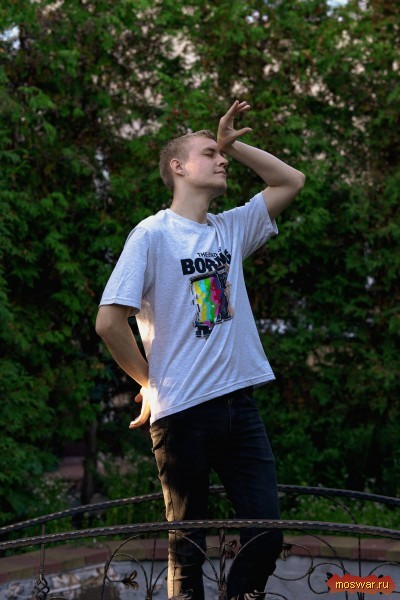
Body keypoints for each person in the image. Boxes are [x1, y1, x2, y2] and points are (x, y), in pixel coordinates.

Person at [96, 100, 305, 600]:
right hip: (182, 411)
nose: (222, 160)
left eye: (222, 154)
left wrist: (235, 142)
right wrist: (149, 383)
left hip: (240, 405)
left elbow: (290, 181)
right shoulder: (152, 235)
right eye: (210, 153)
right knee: (188, 550)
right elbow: (108, 321)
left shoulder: (229, 229)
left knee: (266, 534)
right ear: (178, 167)